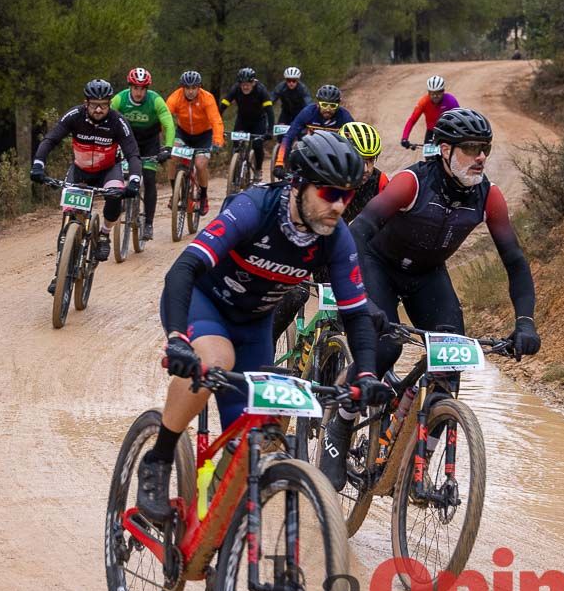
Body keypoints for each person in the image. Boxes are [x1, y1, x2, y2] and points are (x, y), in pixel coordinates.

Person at [137, 131, 393, 521]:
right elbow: (184, 269)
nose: (340, 206)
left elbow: (356, 313)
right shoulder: (256, 208)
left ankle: (215, 528)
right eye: (329, 193)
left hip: (255, 323)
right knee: (216, 360)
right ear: (298, 185)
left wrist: (369, 373)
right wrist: (176, 339)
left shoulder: (335, 237)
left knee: (256, 439)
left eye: (347, 194)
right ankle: (159, 458)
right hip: (206, 304)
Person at [319, 108, 541, 489]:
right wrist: (362, 300)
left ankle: (419, 463)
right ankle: (339, 425)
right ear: (444, 150)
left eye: (484, 148)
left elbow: (515, 262)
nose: (481, 157)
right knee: (385, 347)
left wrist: (525, 321)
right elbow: (357, 233)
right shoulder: (411, 183)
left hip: (426, 275)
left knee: (449, 364)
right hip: (378, 263)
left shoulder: (489, 197)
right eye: (471, 149)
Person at [269, 121, 389, 344]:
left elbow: (389, 228)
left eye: (371, 160)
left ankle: (328, 352)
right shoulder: (322, 171)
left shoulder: (380, 182)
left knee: (351, 304)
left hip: (336, 248)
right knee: (297, 294)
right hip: (302, 243)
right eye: (360, 160)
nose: (366, 169)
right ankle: (266, 344)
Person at [29, 79, 142, 278]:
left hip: (109, 170)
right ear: (85, 102)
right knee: (68, 218)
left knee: (115, 197)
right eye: (94, 105)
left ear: (109, 104)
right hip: (80, 170)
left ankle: (105, 234)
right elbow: (51, 139)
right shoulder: (74, 116)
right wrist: (38, 164)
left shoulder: (118, 121)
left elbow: (132, 154)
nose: (99, 109)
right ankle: (61, 272)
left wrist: (133, 180)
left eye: (104, 105)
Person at [111, 67, 176, 241]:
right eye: (135, 88)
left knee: (148, 178)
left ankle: (148, 223)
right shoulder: (120, 99)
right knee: (120, 173)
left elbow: (169, 124)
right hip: (127, 140)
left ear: (147, 89)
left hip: (149, 143)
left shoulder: (155, 100)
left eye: (142, 88)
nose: (138, 92)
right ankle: (120, 202)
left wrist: (168, 148)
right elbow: (108, 119)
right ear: (130, 87)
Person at [165, 70, 225, 215]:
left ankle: (203, 197)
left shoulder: (207, 98)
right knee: (172, 158)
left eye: (194, 88)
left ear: (199, 87)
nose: (191, 91)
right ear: (182, 87)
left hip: (204, 135)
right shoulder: (176, 97)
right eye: (187, 88)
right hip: (183, 133)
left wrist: (217, 141)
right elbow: (165, 116)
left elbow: (216, 121)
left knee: (200, 164)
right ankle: (176, 194)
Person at [275, 84, 353, 175]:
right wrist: (279, 163)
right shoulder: (308, 112)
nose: (328, 110)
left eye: (332, 106)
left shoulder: (344, 116)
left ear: (338, 105)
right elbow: (289, 136)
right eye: (324, 105)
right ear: (317, 103)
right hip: (312, 151)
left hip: (335, 153)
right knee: (297, 151)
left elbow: (354, 139)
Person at [219, 67, 275, 182]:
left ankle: (258, 170)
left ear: (253, 82)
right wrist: (217, 125)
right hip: (242, 120)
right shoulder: (235, 89)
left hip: (258, 121)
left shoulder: (261, 90)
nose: (245, 87)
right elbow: (223, 106)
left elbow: (270, 112)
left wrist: (270, 131)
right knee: (236, 143)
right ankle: (235, 167)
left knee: (257, 145)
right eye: (242, 84)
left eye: (248, 84)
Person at [400, 74, 459, 148]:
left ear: (443, 91)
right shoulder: (424, 102)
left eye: (438, 92)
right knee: (429, 158)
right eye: (432, 93)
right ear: (428, 92)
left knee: (451, 157)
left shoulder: (450, 100)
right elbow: (412, 120)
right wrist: (404, 138)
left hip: (448, 132)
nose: (435, 96)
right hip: (431, 132)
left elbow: (459, 118)